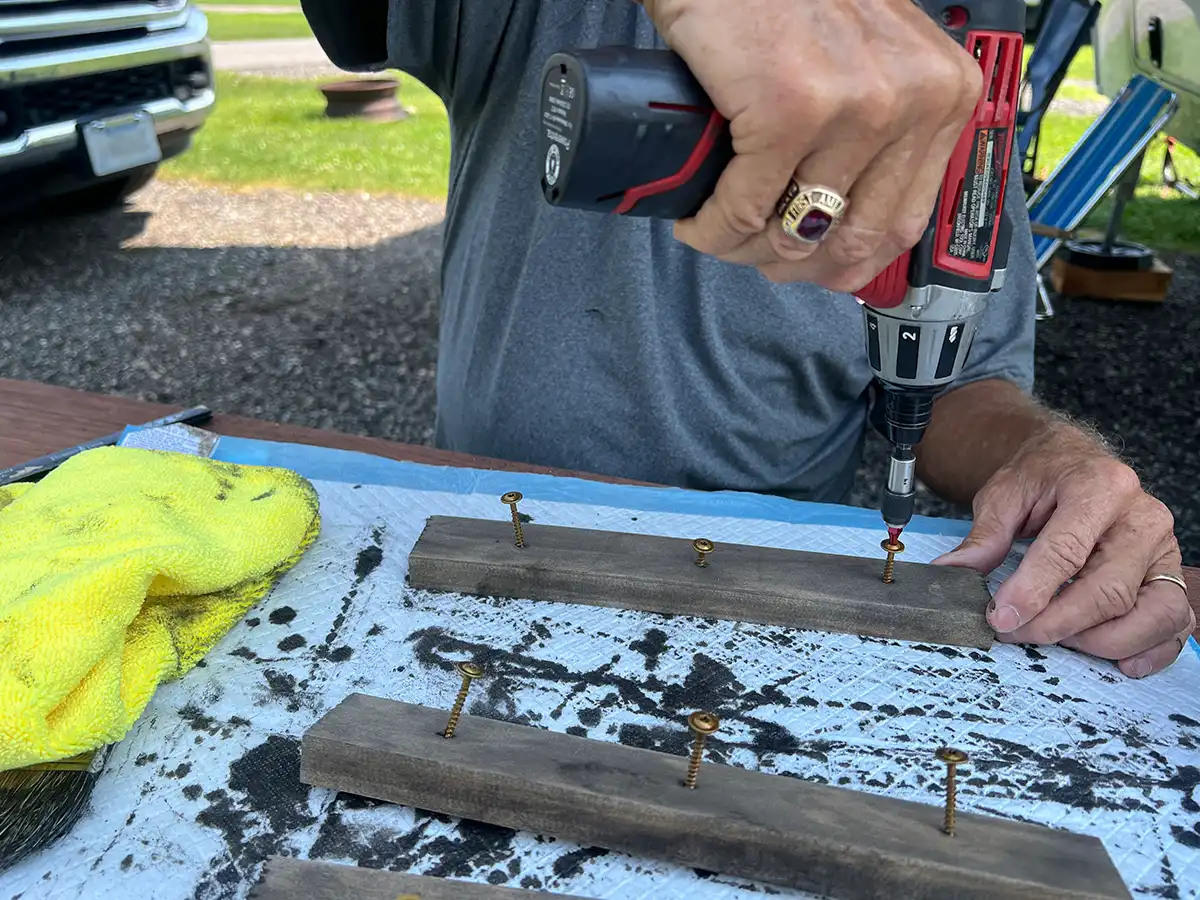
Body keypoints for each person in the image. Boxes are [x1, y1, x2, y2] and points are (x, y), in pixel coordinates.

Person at [300, 0, 1193, 676]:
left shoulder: (947, 74)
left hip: (763, 577)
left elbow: (959, 374)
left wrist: (1050, 457)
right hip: (497, 530)